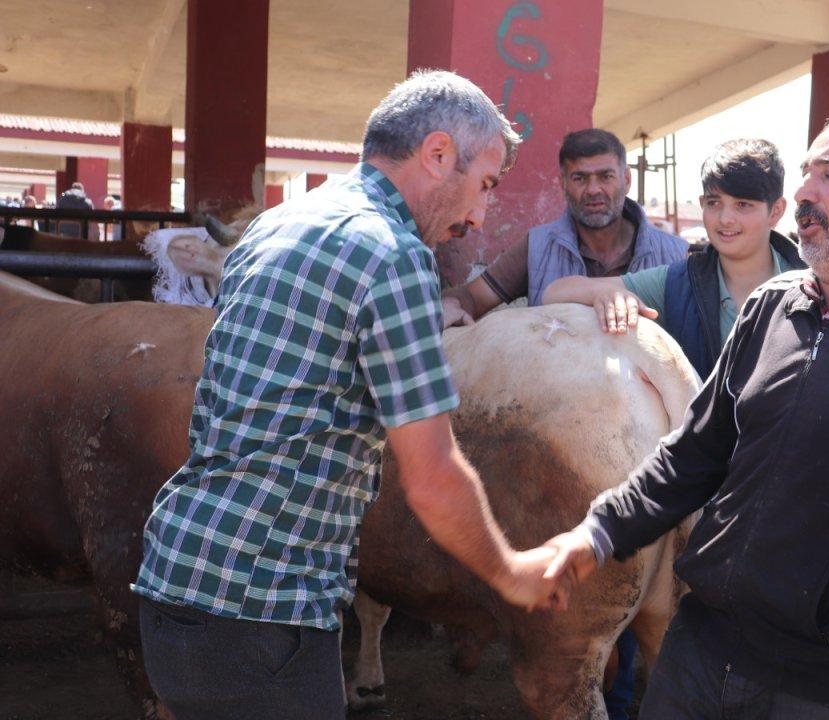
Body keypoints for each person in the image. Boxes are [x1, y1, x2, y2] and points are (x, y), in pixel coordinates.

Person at [131, 70, 567, 719]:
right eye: (484, 186)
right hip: (262, 610)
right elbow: (434, 477)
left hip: (178, 588)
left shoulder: (277, 226)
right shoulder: (391, 255)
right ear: (438, 154)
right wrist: (512, 574)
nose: (478, 216)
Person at [544, 113, 829, 720]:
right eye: (806, 174)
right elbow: (692, 454)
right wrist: (596, 532)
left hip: (824, 689)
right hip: (697, 650)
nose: (804, 191)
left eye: (828, 175)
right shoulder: (771, 308)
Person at [543, 138, 806, 378]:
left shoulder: (811, 286)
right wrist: (603, 294)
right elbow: (555, 292)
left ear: (776, 211)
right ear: (702, 203)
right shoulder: (679, 283)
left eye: (743, 205)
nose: (725, 218)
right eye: (714, 203)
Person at [442, 128, 686, 322]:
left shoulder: (676, 255)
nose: (593, 190)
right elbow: (473, 297)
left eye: (605, 177)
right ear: (563, 183)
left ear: (627, 179)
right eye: (580, 178)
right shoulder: (537, 248)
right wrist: (445, 309)